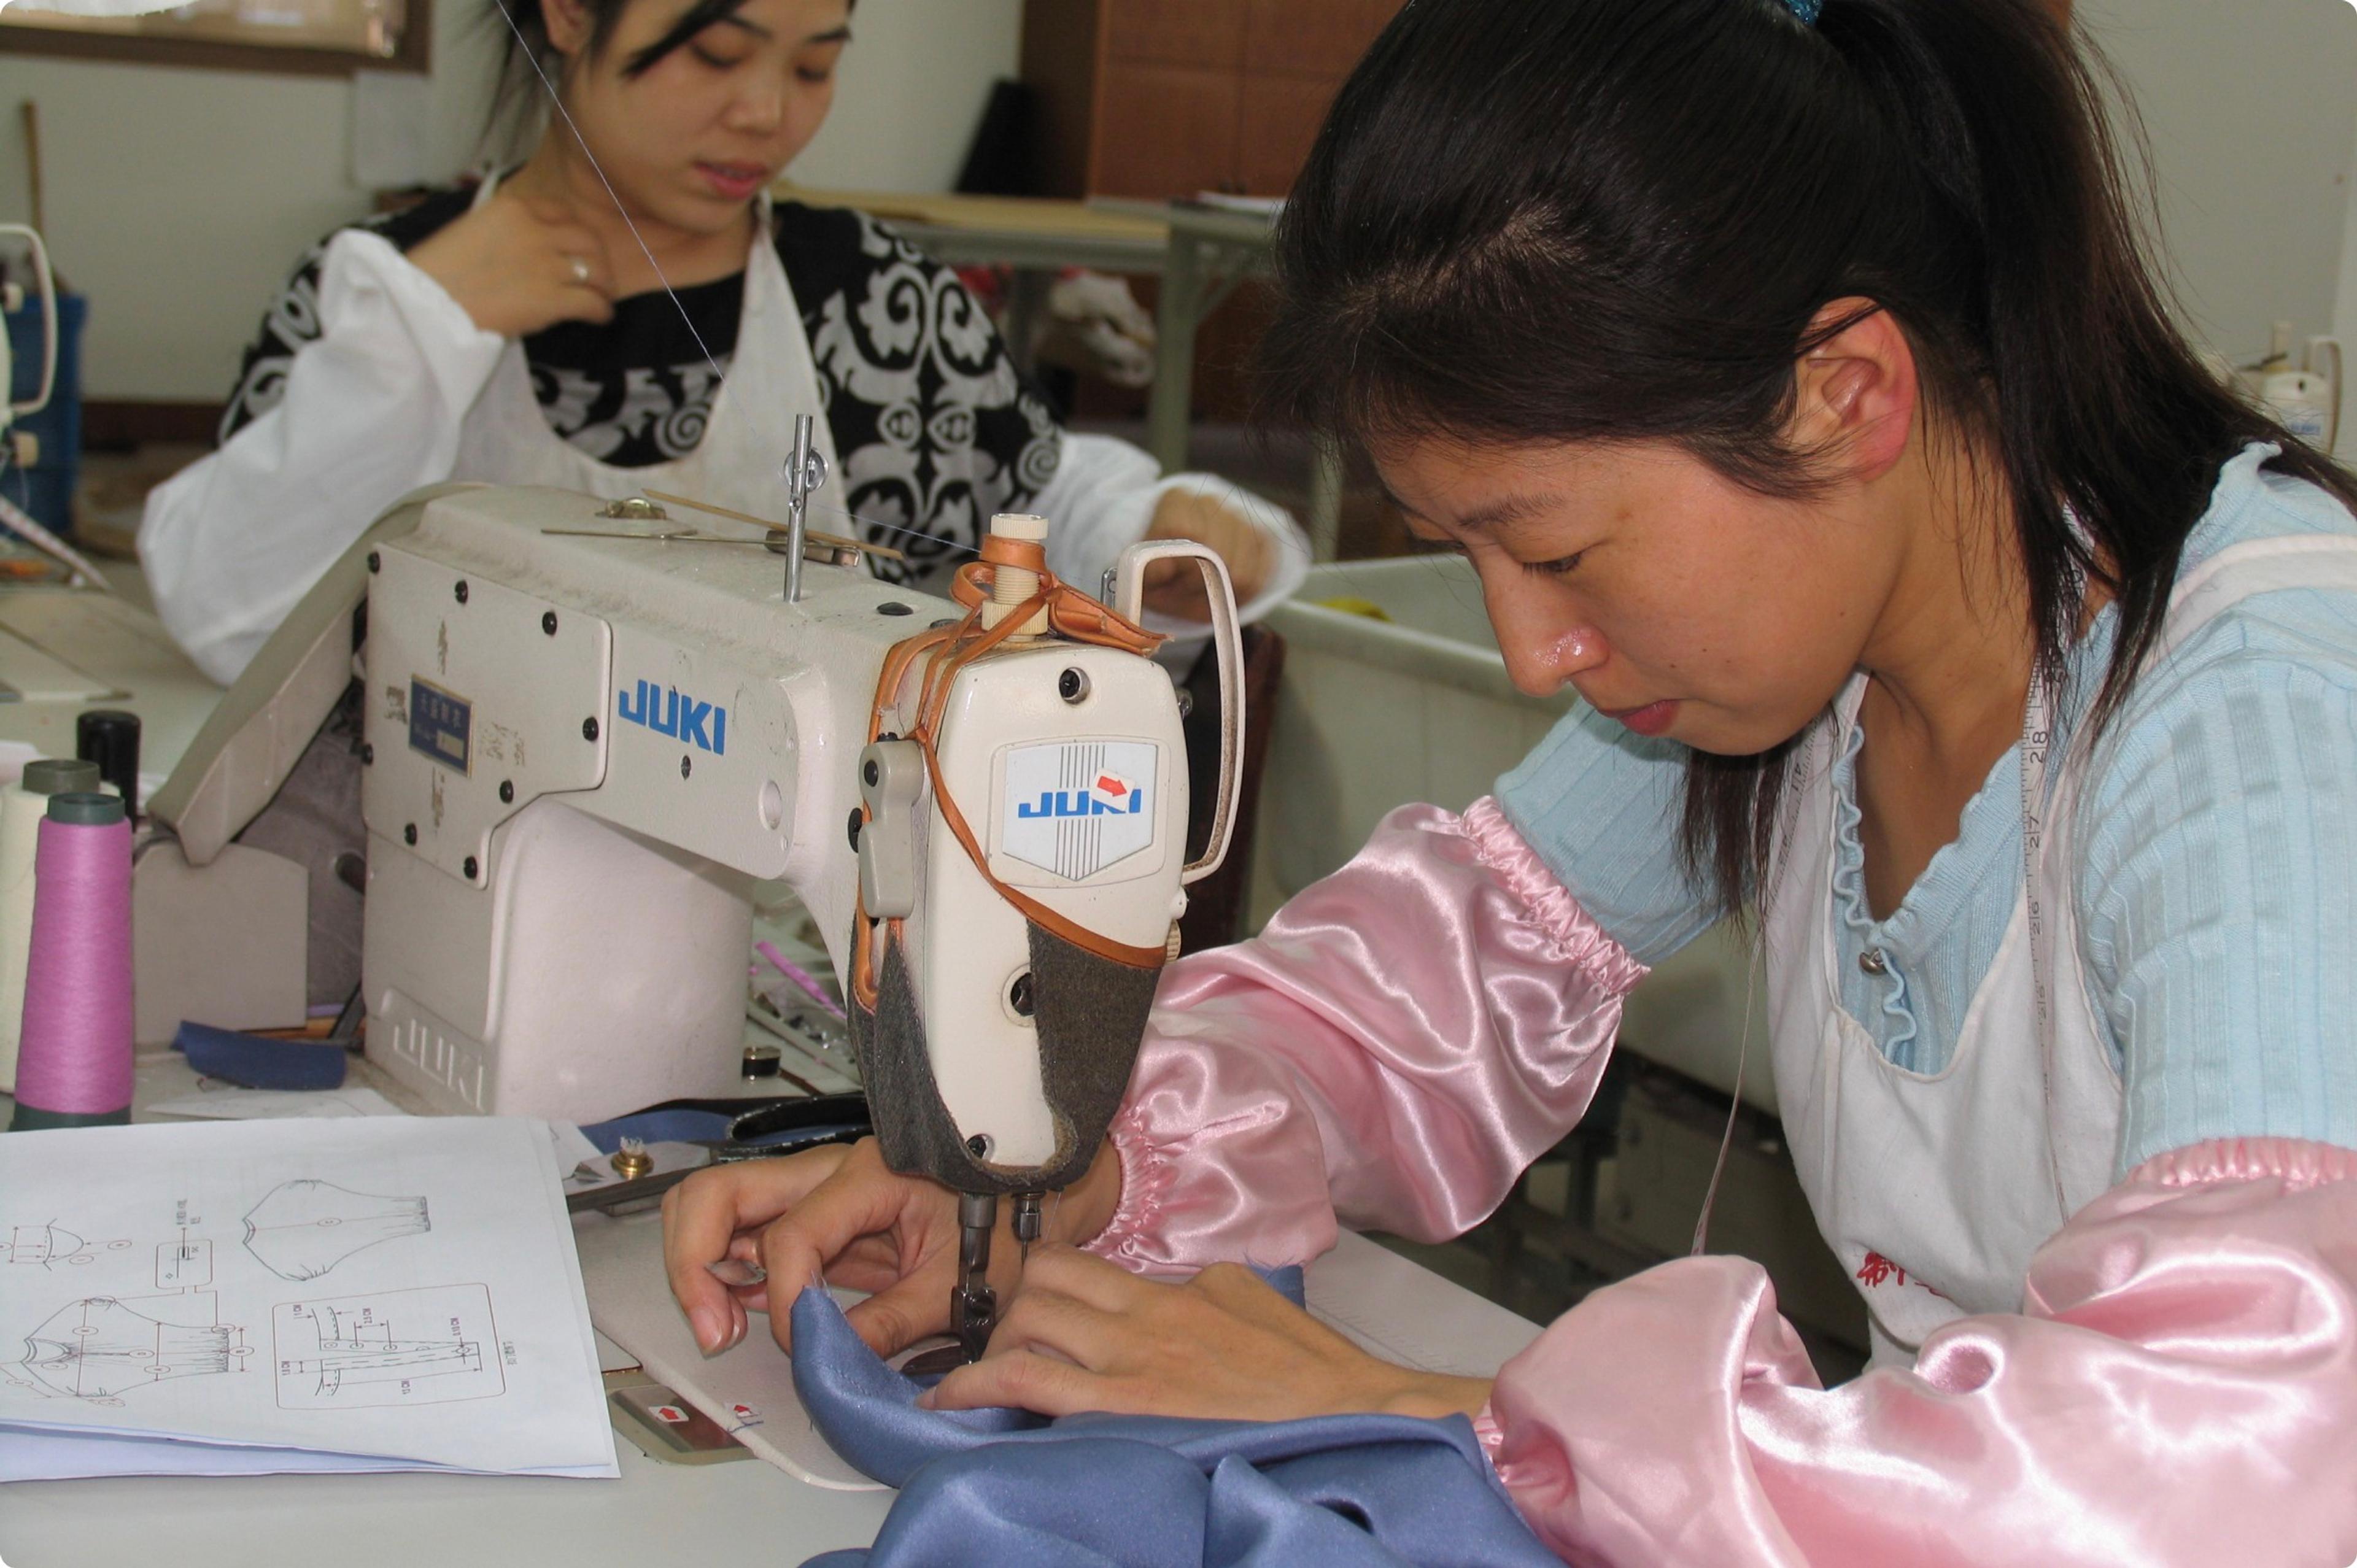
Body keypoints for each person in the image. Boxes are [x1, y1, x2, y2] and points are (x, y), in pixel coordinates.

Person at [664, 0, 2357, 1560]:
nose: (1538, 650)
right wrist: (1057, 1157)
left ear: (1847, 396)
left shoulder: (2266, 731)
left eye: (1552, 548)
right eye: (1469, 553)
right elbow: (1423, 986)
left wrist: (1442, 1416)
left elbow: (2243, 1460)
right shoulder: (1817, 649)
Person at [138, 0, 1305, 686]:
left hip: (813, 943)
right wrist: (416, 340)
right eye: (717, 54)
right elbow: (235, 620)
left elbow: (1040, 513)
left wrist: (1166, 538)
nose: (768, 114)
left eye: (814, 63)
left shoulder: (867, 305)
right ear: (567, 12)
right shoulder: (389, 296)